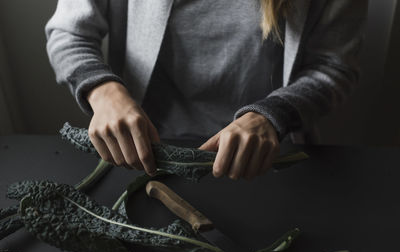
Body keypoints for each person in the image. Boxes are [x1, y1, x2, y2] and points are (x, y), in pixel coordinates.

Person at [45, 0, 367, 180]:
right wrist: (105, 92)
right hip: (141, 158)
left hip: (267, 161)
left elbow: (334, 66)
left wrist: (271, 116)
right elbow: (68, 34)